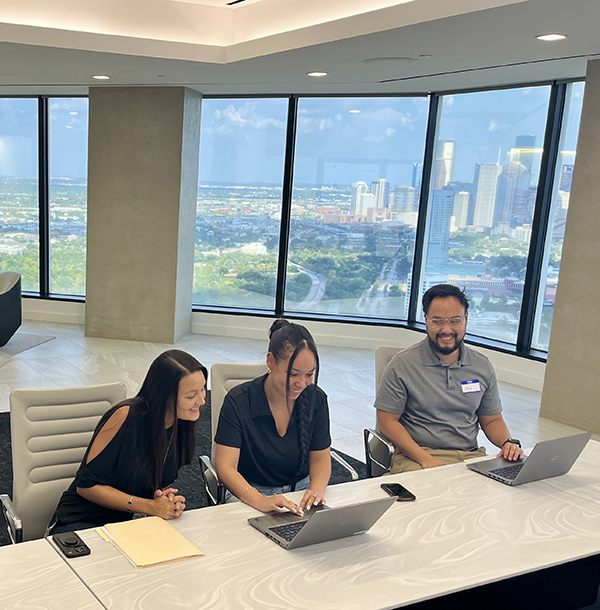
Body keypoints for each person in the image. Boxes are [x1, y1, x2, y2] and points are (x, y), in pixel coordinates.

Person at [48, 349, 207, 534]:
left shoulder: (183, 424)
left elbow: (161, 483)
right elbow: (86, 486)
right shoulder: (126, 417)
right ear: (165, 395)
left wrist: (166, 500)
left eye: (203, 389)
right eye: (191, 395)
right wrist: (149, 506)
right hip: (83, 521)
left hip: (128, 526)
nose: (202, 400)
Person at [375, 284, 524, 474]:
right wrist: (425, 459)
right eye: (438, 321)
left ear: (466, 319)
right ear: (426, 320)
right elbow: (387, 421)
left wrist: (507, 443)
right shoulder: (402, 364)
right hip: (418, 456)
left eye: (455, 321)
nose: (446, 330)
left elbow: (492, 420)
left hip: (470, 456)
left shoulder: (481, 365)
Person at [215, 320, 331, 516]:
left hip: (301, 492)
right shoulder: (239, 401)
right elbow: (225, 467)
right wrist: (260, 500)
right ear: (271, 361)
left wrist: (316, 491)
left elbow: (321, 458)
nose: (301, 383)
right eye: (293, 374)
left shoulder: (316, 399)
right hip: (250, 492)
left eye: (309, 374)